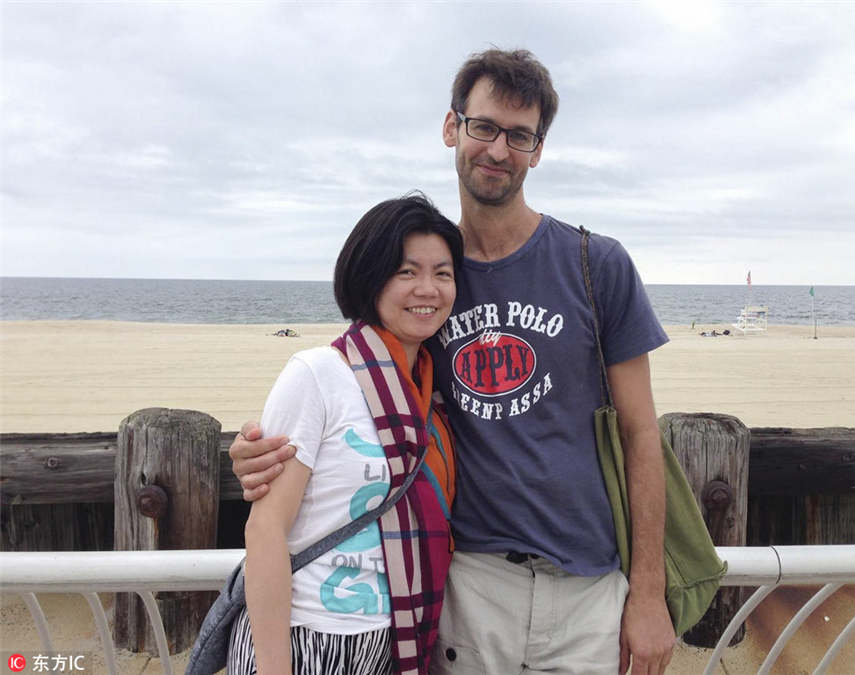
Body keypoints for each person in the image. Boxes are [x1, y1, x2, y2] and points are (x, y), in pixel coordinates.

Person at [231, 49, 676, 675]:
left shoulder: (595, 264)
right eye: (484, 126)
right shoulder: (427, 283)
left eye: (520, 135)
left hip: (589, 585)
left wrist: (649, 594)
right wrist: (259, 450)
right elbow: (354, 385)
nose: (498, 149)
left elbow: (640, 433)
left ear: (538, 149)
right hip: (469, 585)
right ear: (452, 128)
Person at [228, 194, 462, 675]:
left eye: (443, 273)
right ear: (370, 277)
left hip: (398, 639)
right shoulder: (317, 374)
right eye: (406, 272)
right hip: (310, 635)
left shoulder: (437, 393)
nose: (428, 289)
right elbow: (266, 528)